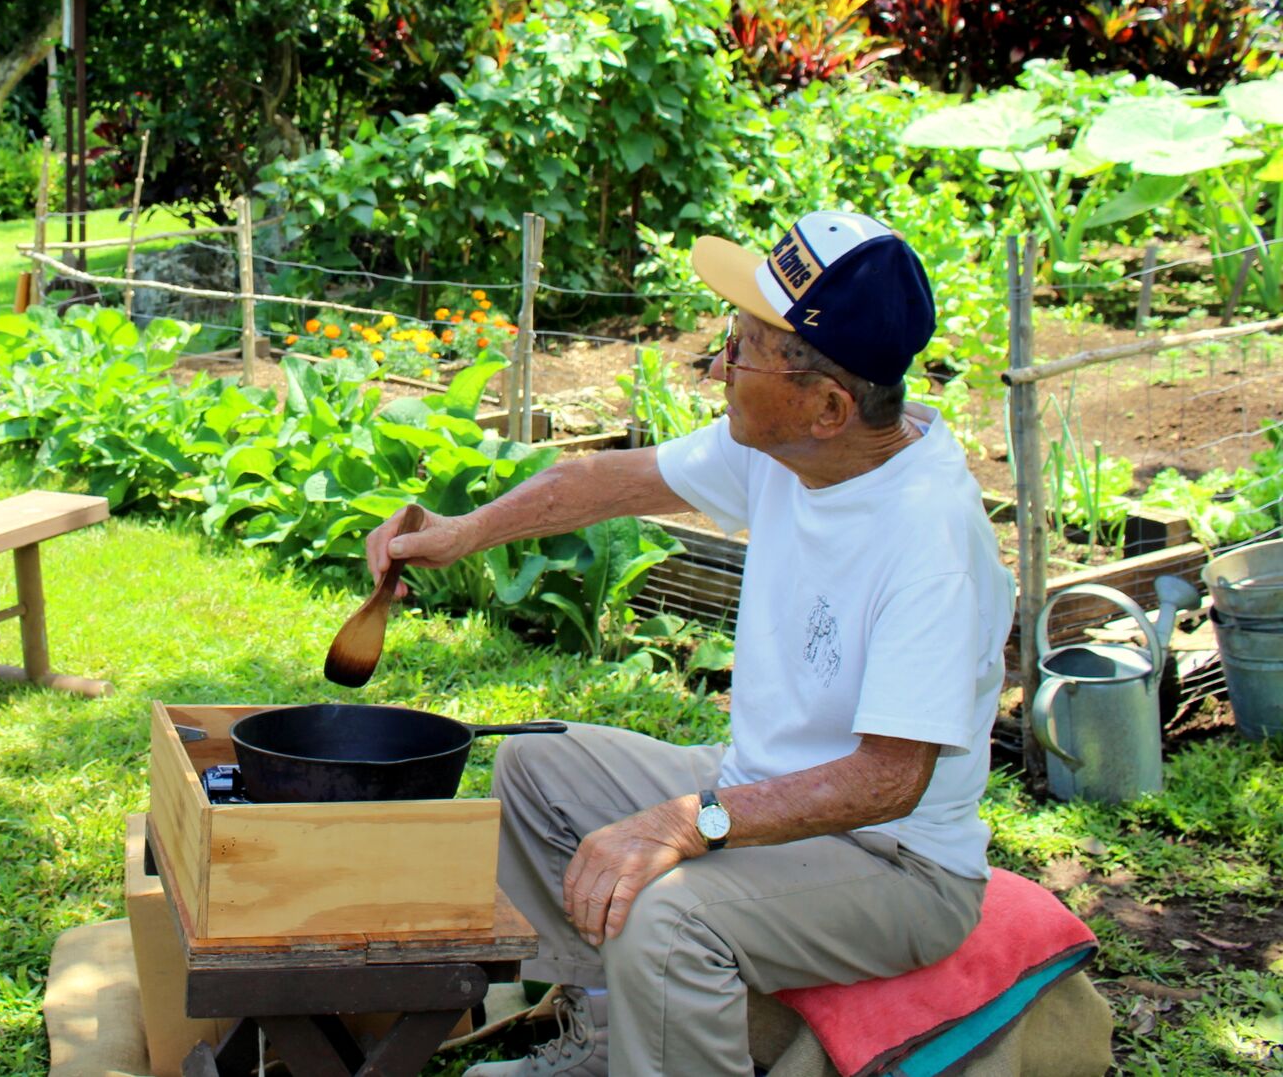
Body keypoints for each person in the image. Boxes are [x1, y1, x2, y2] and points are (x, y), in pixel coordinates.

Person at [366, 212, 1014, 1077]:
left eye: (743, 349)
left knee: (664, 917)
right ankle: (602, 1034)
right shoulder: (791, 450)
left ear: (828, 405)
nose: (714, 368)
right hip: (762, 783)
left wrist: (693, 821)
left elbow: (889, 779)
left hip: (897, 860)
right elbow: (597, 481)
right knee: (533, 772)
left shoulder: (928, 540)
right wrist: (456, 533)